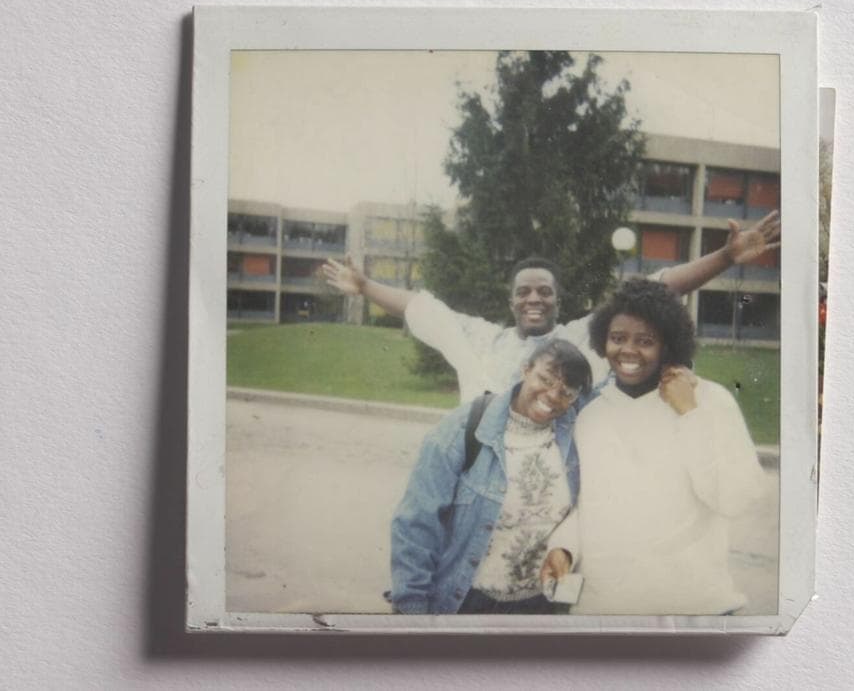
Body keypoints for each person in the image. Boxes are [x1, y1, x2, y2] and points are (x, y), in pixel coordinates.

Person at [320, 212, 781, 401]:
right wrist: (365, 285)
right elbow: (420, 307)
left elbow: (658, 288)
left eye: (544, 292)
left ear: (559, 300)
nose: (534, 299)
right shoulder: (480, 339)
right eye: (524, 292)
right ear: (511, 301)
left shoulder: (580, 337)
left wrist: (725, 258)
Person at [539, 279, 768, 615]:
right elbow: (589, 505)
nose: (628, 351)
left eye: (645, 341)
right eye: (618, 338)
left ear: (667, 345)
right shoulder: (591, 416)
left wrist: (690, 414)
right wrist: (564, 549)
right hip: (604, 611)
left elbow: (735, 499)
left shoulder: (710, 400)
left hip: (694, 610)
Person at [390, 339, 593, 614]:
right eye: (545, 379)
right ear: (525, 369)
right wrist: (411, 611)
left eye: (566, 391)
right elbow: (416, 525)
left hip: (540, 605)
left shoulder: (572, 434)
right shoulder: (463, 429)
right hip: (467, 602)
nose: (552, 396)